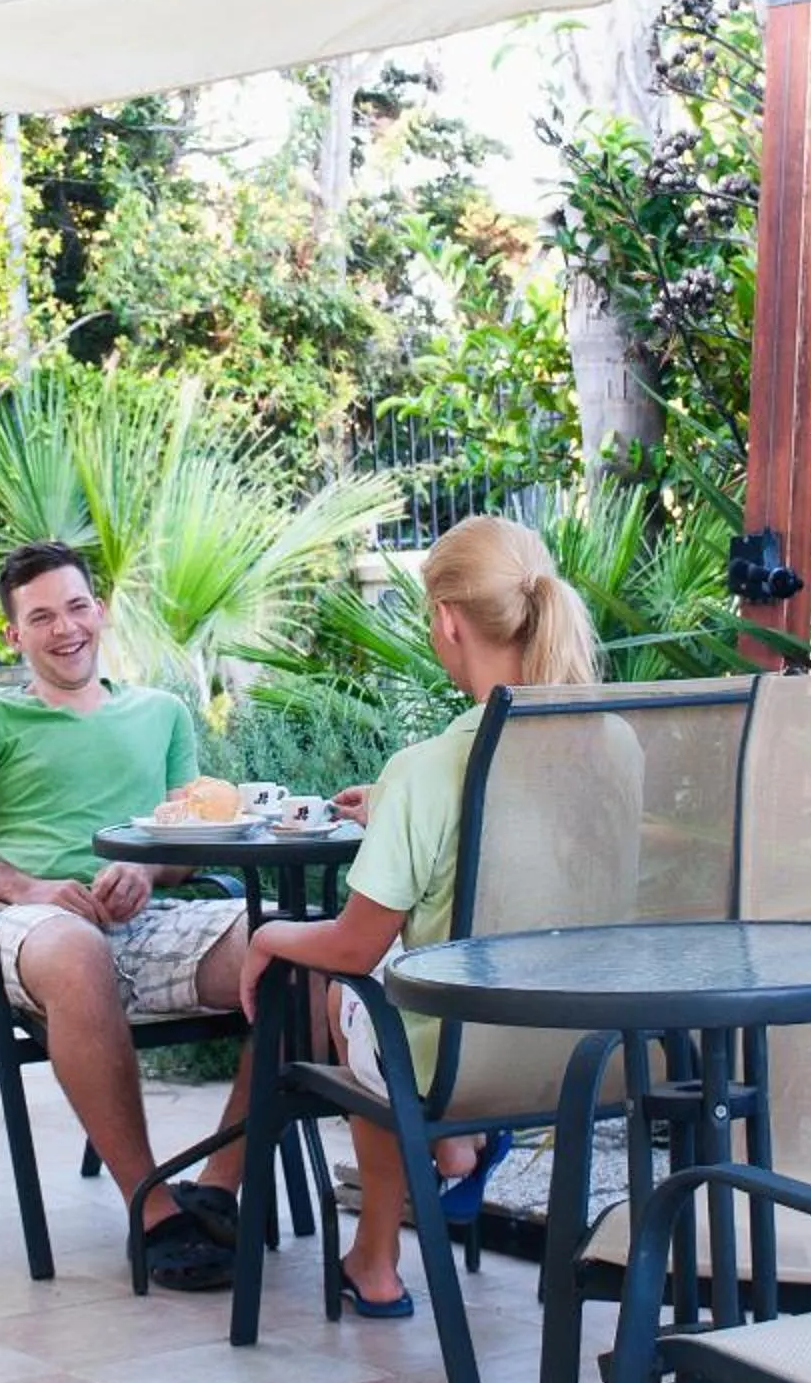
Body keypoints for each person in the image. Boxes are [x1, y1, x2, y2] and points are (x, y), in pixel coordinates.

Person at [240, 514, 603, 1318]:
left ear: (445, 621)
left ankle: (384, 1248)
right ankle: (450, 1153)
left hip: (459, 1059)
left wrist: (267, 935)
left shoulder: (427, 771)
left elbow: (352, 941)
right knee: (390, 986)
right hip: (584, 1047)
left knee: (361, 986)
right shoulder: (612, 743)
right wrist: (400, 815)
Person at [0, 540, 255, 1291]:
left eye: (76, 607)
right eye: (40, 617)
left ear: (99, 611)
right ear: (14, 635)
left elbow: (183, 841)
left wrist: (145, 867)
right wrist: (31, 889)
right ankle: (153, 1207)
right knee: (75, 952)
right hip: (23, 926)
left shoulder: (160, 715)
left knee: (287, 952)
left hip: (144, 918)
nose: (64, 628)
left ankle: (218, 1188)